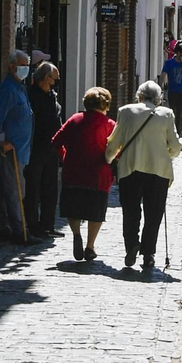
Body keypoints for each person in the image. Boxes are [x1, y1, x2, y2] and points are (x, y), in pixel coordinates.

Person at [105, 80, 182, 273]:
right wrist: (166, 153)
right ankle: (148, 253)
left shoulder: (125, 111)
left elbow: (115, 141)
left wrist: (107, 159)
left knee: (130, 210)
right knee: (154, 212)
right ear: (158, 99)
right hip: (158, 170)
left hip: (130, 168)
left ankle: (132, 244)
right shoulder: (166, 114)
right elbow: (175, 146)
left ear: (138, 95)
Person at [53, 87, 117, 261]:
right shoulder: (110, 124)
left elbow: (56, 141)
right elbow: (117, 150)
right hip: (98, 175)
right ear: (106, 104)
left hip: (73, 171)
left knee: (73, 207)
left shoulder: (75, 119)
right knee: (96, 211)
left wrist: (65, 156)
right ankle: (90, 245)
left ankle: (76, 234)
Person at [0, 50, 35, 244]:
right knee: (14, 189)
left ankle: (0, 226)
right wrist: (1, 141)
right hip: (9, 150)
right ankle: (19, 230)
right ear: (12, 66)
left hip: (20, 149)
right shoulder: (7, 89)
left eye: (27, 66)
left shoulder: (19, 88)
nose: (26, 69)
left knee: (3, 188)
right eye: (23, 65)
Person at [24, 61, 64, 241]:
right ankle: (32, 225)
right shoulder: (32, 96)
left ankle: (48, 224)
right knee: (33, 188)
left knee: (50, 187)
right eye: (55, 79)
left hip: (51, 148)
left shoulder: (52, 95)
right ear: (46, 79)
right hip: (36, 147)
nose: (57, 82)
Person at [161, 42, 182, 136]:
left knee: (180, 113)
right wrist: (160, 88)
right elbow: (163, 75)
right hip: (172, 91)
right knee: (172, 112)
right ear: (179, 53)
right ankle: (172, 131)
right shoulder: (169, 63)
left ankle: (178, 133)